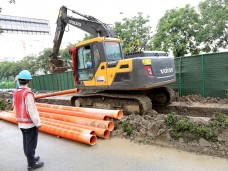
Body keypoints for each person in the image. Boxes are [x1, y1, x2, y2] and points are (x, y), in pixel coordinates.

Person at [13, 70, 44, 170]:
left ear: (19, 80)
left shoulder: (16, 93)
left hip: (21, 123)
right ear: (29, 81)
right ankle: (31, 164)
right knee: (31, 145)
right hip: (29, 124)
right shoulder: (27, 93)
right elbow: (32, 110)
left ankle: (31, 158)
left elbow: (14, 107)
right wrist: (37, 123)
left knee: (26, 143)